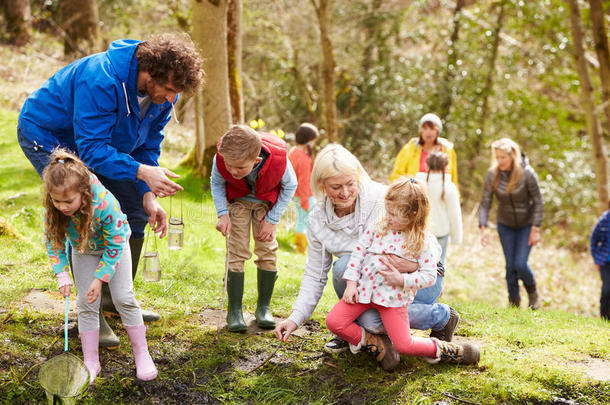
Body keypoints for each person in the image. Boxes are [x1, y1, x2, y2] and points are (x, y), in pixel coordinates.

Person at [17, 33, 204, 348]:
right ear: (149, 74)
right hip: (48, 135)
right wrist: (141, 171)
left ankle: (115, 300)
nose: (173, 98)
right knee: (80, 212)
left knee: (133, 211)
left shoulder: (162, 98)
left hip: (100, 143)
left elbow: (147, 145)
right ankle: (89, 313)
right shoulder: (102, 78)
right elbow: (90, 150)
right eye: (170, 89)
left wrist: (147, 192)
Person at [274, 145, 460, 370]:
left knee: (372, 315)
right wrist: (295, 318)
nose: (344, 193)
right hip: (374, 284)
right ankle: (371, 338)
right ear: (322, 185)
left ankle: (441, 317)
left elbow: (426, 239)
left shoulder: (383, 199)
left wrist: (410, 266)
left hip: (419, 278)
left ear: (358, 177)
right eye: (336, 187)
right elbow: (315, 274)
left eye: (350, 184)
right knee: (345, 269)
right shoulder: (317, 220)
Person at [325, 177, 479, 367]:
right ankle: (375, 343)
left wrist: (403, 279)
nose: (388, 217)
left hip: (393, 300)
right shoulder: (378, 227)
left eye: (394, 214)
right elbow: (358, 253)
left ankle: (449, 350)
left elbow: (429, 276)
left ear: (412, 215)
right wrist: (351, 284)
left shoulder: (422, 242)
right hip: (365, 293)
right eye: (387, 211)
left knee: (404, 345)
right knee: (334, 321)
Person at [43, 150, 157, 383]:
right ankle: (91, 361)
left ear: (83, 194)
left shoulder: (104, 203)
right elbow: (53, 241)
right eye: (56, 201)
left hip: (114, 248)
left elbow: (115, 242)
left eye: (68, 201)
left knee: (123, 297)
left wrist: (100, 278)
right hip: (83, 249)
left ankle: (142, 354)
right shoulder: (55, 208)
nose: (62, 207)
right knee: (86, 302)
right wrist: (62, 273)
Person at [211, 125, 297, 332]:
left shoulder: (279, 161)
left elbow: (290, 186)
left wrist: (272, 219)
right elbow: (216, 182)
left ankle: (263, 308)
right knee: (237, 251)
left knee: (267, 251)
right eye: (229, 166)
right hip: (238, 202)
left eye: (239, 168)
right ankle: (234, 311)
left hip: (265, 206)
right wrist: (223, 214)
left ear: (256, 161)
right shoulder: (222, 158)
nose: (232, 171)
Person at [479, 138, 543, 309]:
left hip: (526, 225)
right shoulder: (493, 175)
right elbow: (485, 202)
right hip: (505, 224)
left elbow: (538, 201)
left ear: (512, 156)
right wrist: (483, 227)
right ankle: (513, 303)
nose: (500, 161)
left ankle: (533, 293)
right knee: (509, 267)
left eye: (503, 158)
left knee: (520, 264)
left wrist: (535, 228)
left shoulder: (527, 173)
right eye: (497, 157)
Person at [389, 113, 459, 193]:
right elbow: (397, 175)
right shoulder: (410, 148)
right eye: (425, 128)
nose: (428, 132)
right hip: (413, 195)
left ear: (437, 131)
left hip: (439, 197)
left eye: (432, 129)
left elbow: (453, 179)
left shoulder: (447, 150)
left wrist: (455, 197)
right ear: (420, 130)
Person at [415, 151, 462, 264]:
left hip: (420, 231)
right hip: (441, 233)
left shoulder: (417, 184)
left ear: (426, 165)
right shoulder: (449, 187)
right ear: (446, 167)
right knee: (438, 267)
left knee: (418, 266)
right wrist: (456, 238)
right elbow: (454, 215)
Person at [288, 123, 319, 254]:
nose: (314, 144)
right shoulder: (304, 159)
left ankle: (301, 245)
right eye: (313, 141)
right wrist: (305, 200)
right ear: (308, 140)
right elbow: (304, 182)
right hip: (304, 196)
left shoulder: (293, 152)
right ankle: (301, 248)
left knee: (302, 219)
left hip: (296, 194)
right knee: (304, 221)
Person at [590, 200, 610, 321]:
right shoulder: (604, 221)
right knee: (607, 289)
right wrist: (596, 259)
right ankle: (604, 317)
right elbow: (593, 240)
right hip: (605, 262)